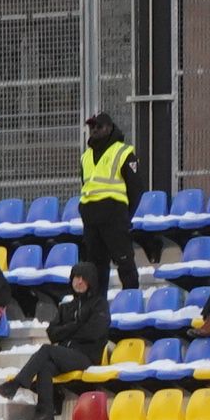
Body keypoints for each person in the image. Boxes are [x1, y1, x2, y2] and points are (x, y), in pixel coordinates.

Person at [75, 111, 142, 290]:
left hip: (114, 217)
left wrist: (124, 216)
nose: (94, 130)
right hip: (91, 220)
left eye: (99, 126)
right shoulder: (86, 156)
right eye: (92, 127)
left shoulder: (123, 152)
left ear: (109, 128)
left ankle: (131, 303)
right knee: (94, 269)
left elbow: (136, 188)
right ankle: (98, 309)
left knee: (124, 262)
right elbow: (86, 185)